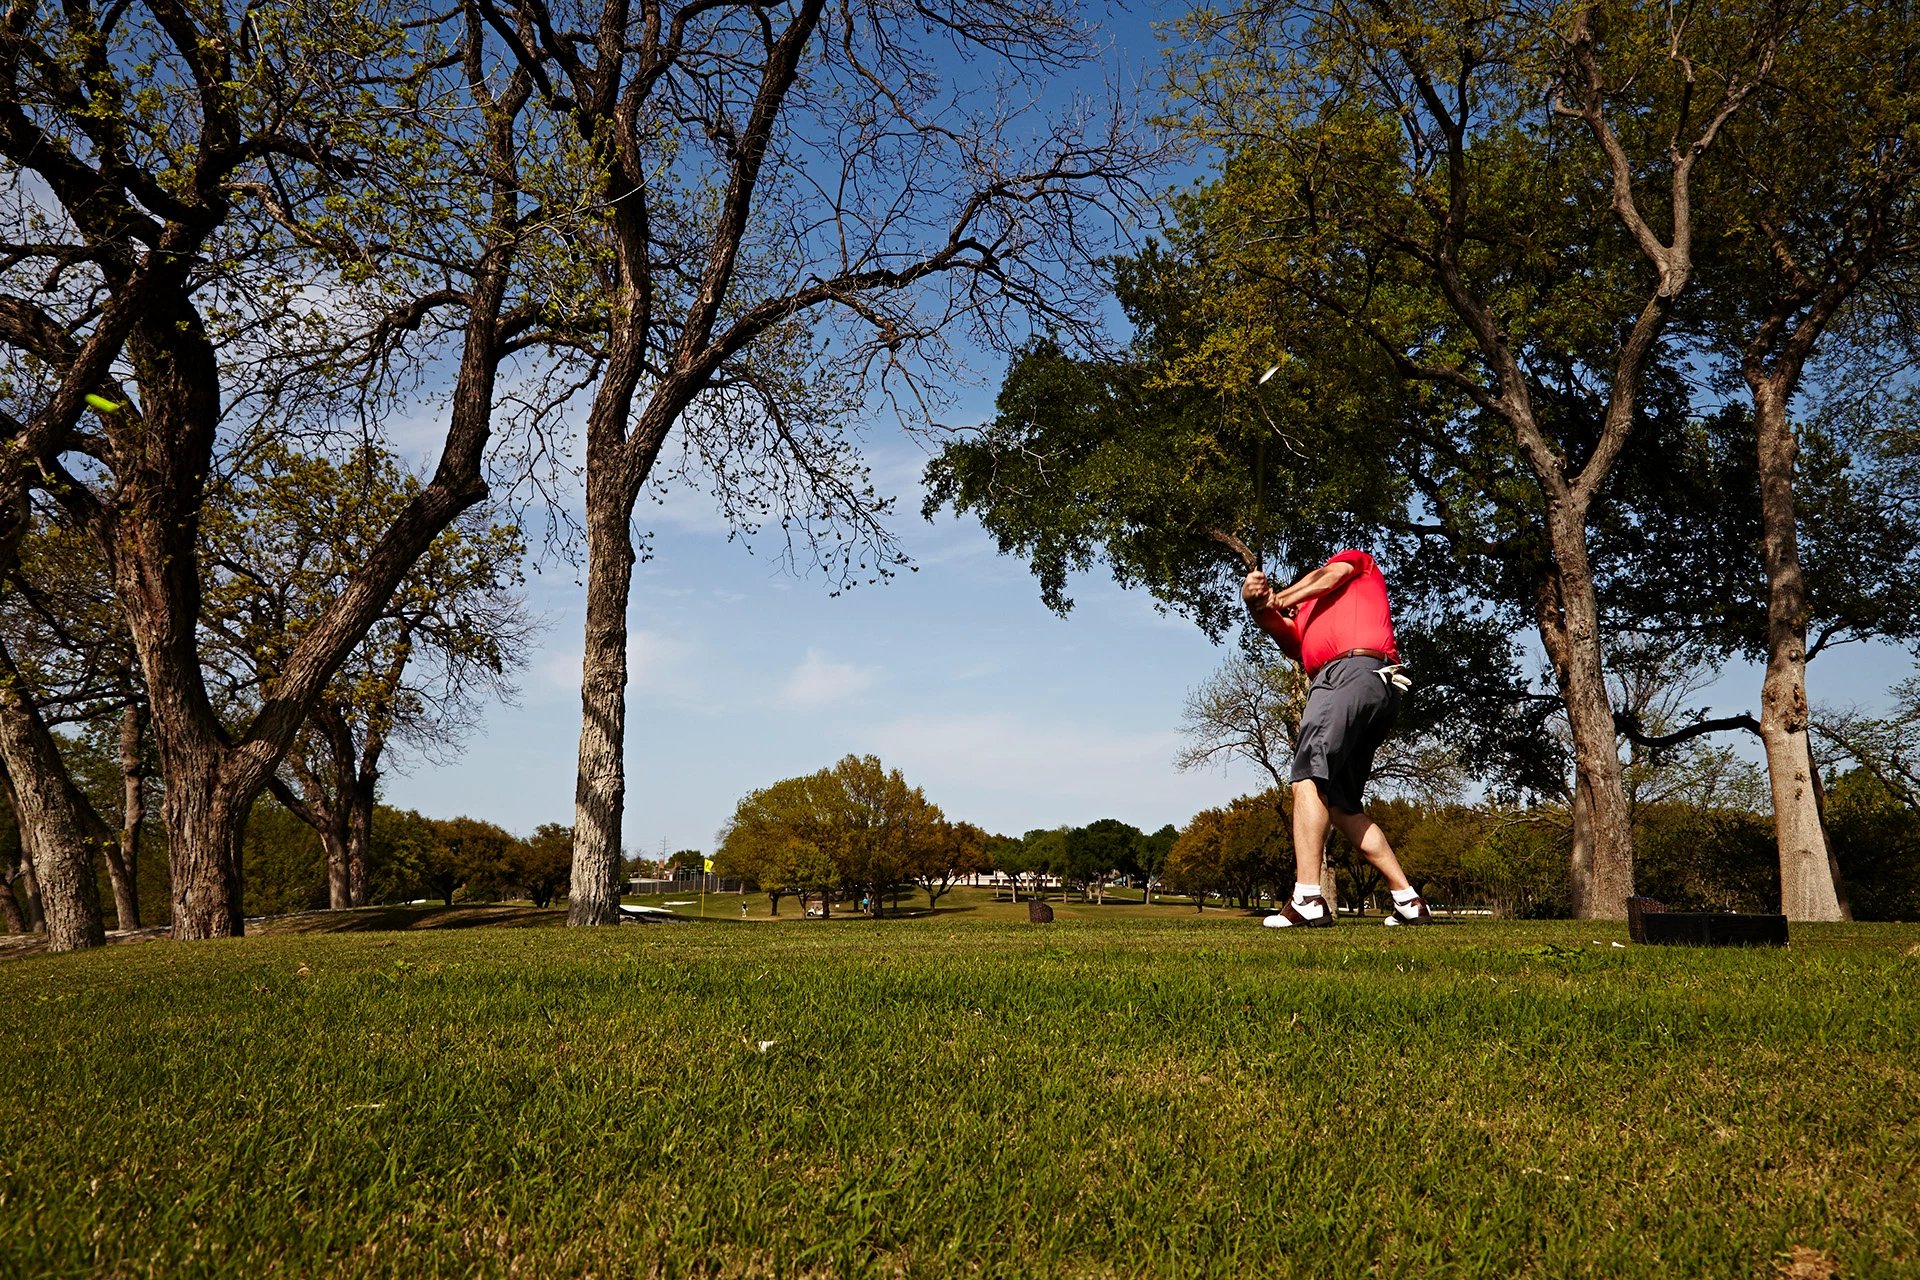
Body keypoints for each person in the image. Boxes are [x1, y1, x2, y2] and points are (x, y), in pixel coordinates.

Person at [1242, 550, 1433, 927]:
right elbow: (1285, 636)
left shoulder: (1355, 564)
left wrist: (1277, 598)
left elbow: (1329, 575)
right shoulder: (1306, 615)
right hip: (1374, 685)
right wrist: (1258, 606)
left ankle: (1308, 898)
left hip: (1347, 673)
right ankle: (1408, 900)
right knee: (1343, 805)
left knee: (1308, 778)